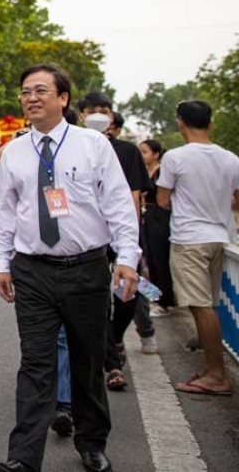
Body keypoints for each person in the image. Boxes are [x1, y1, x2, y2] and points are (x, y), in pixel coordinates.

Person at [0, 63, 140, 472]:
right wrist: (3, 262)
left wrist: (127, 257)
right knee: (36, 363)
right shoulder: (15, 151)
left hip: (86, 268)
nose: (31, 98)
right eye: (25, 92)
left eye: (40, 90)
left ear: (63, 98)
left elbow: (118, 205)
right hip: (32, 271)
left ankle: (92, 443)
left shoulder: (93, 145)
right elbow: (5, 211)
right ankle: (22, 458)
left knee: (87, 359)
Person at [157, 99, 239, 397]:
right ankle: (210, 369)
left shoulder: (175, 158)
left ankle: (217, 376)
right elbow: (236, 199)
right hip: (219, 236)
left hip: (189, 238)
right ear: (211, 124)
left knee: (200, 306)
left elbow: (163, 201)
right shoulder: (231, 158)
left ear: (180, 122)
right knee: (210, 304)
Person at [77, 92, 152, 392]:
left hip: (121, 238)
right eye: (92, 110)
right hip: (88, 240)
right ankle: (112, 365)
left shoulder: (127, 151)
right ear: (81, 115)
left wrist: (129, 247)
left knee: (128, 299)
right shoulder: (73, 147)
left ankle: (116, 338)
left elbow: (133, 196)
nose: (99, 115)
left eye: (104, 110)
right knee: (96, 303)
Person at [139, 139, 174, 314]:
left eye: (145, 152)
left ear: (156, 154)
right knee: (149, 258)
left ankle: (164, 301)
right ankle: (154, 296)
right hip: (148, 217)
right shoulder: (144, 171)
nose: (142, 156)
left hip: (160, 217)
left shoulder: (162, 172)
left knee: (160, 258)